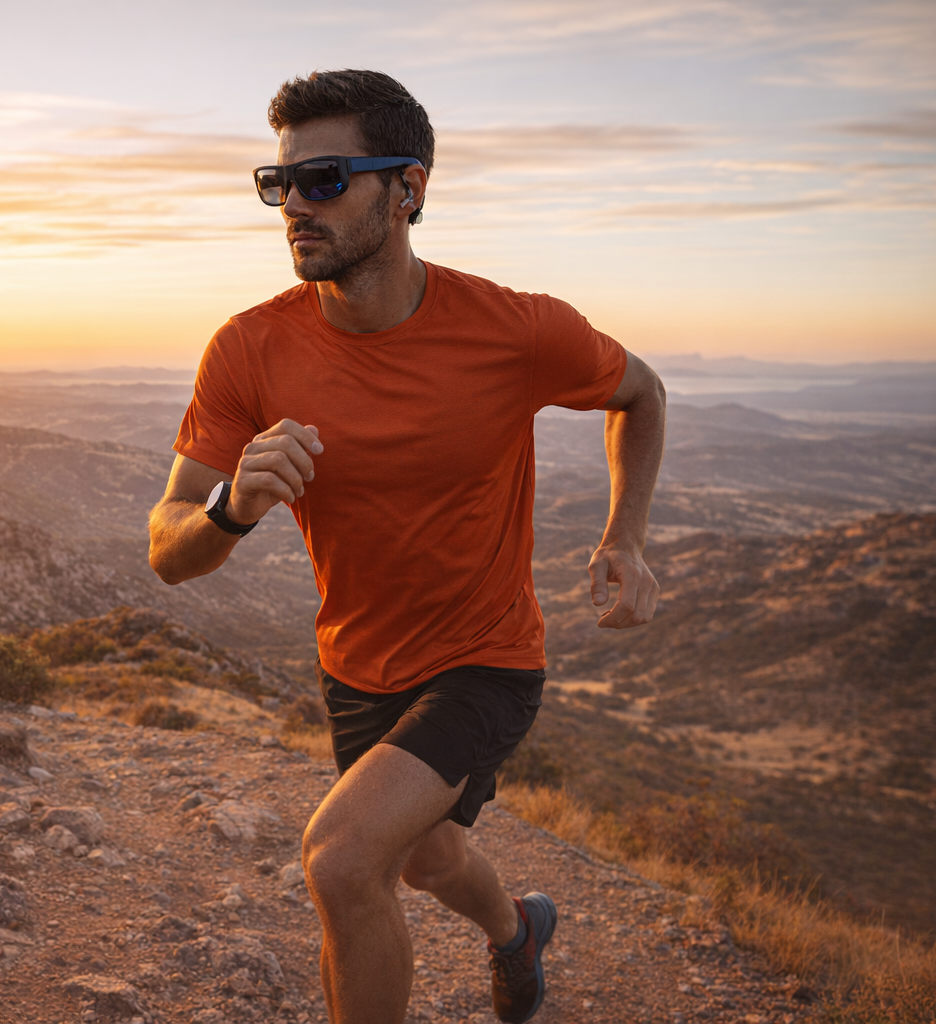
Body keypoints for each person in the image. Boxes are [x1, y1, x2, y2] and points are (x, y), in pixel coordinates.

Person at [147, 70, 666, 1024]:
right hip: (358, 664)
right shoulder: (249, 351)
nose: (295, 206)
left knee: (343, 858)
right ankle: (518, 930)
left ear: (408, 190)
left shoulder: (515, 329)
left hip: (488, 656)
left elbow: (641, 393)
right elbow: (168, 549)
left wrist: (625, 536)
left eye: (326, 179)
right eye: (280, 183)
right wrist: (229, 506)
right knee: (422, 856)